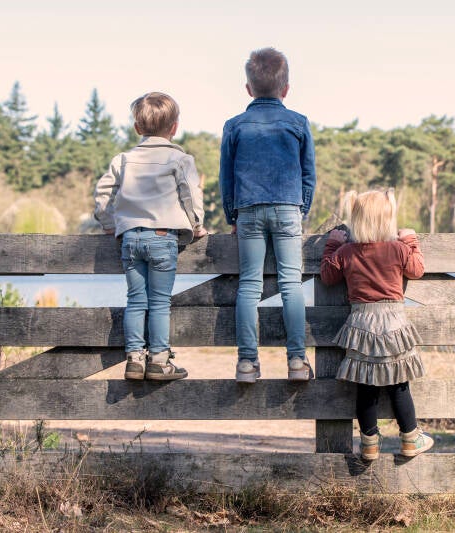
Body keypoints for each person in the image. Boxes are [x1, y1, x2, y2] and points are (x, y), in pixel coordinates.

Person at [219, 47, 316, 383]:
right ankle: (296, 362)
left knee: (249, 285)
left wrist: (232, 215)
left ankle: (247, 363)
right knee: (291, 284)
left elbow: (226, 178)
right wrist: (301, 209)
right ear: (285, 88)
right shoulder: (299, 123)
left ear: (248, 88)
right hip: (288, 208)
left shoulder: (234, 126)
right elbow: (308, 174)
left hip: (248, 211)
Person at [94, 92, 206, 381]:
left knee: (135, 300)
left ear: (137, 128)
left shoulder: (123, 160)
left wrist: (109, 223)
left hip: (130, 237)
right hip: (162, 237)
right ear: (174, 127)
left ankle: (134, 358)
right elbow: (191, 195)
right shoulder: (179, 159)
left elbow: (103, 193)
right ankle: (158, 359)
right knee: (159, 302)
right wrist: (196, 225)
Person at [320, 189, 433, 460]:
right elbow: (417, 269)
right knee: (399, 383)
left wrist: (332, 245)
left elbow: (327, 276)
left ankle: (369, 442)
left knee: (366, 385)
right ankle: (410, 437)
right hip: (394, 323)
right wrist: (411, 240)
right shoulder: (397, 249)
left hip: (361, 323)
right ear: (387, 221)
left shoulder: (347, 251)